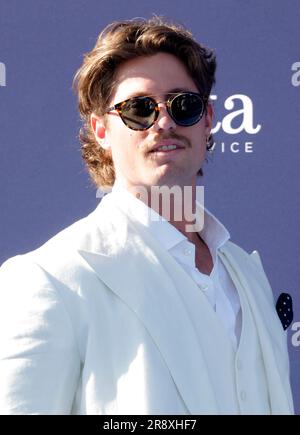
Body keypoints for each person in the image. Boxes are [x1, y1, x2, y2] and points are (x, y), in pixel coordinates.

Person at [0, 16, 294, 415]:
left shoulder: (247, 275)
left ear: (207, 120)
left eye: (183, 105)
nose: (165, 122)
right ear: (101, 130)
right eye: (139, 109)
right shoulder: (51, 277)